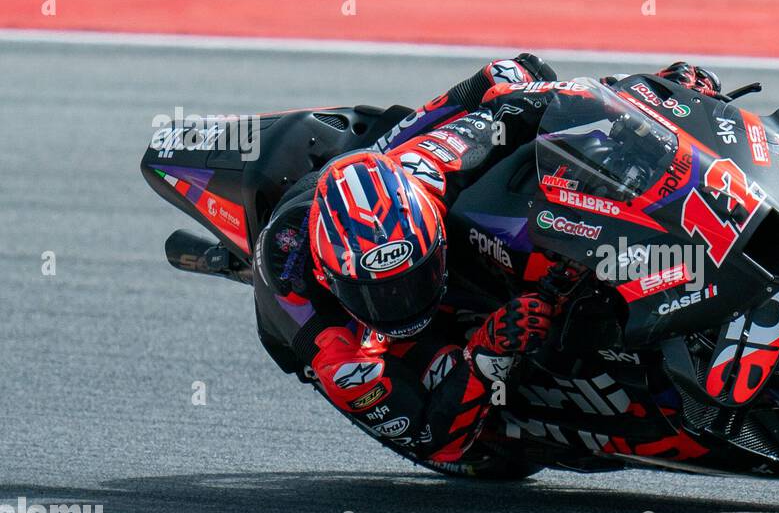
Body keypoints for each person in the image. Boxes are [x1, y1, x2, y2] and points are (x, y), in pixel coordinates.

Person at [252, 56, 722, 469]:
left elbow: (530, 101)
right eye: (379, 294)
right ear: (332, 279)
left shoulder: (428, 169)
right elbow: (431, 440)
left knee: (517, 74)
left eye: (413, 280)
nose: (402, 303)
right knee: (437, 376)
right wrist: (485, 353)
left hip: (385, 165)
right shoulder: (335, 348)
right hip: (355, 332)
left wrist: (650, 94)